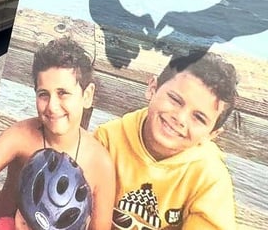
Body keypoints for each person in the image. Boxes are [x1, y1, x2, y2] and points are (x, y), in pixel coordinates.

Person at [0, 37, 115, 230]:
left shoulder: (100, 163)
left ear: (87, 95)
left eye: (63, 93)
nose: (52, 107)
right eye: (43, 94)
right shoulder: (21, 136)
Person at [94, 49, 239, 229]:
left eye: (199, 118)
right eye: (175, 100)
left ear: (211, 135)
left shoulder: (209, 177)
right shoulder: (107, 140)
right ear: (152, 88)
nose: (180, 118)